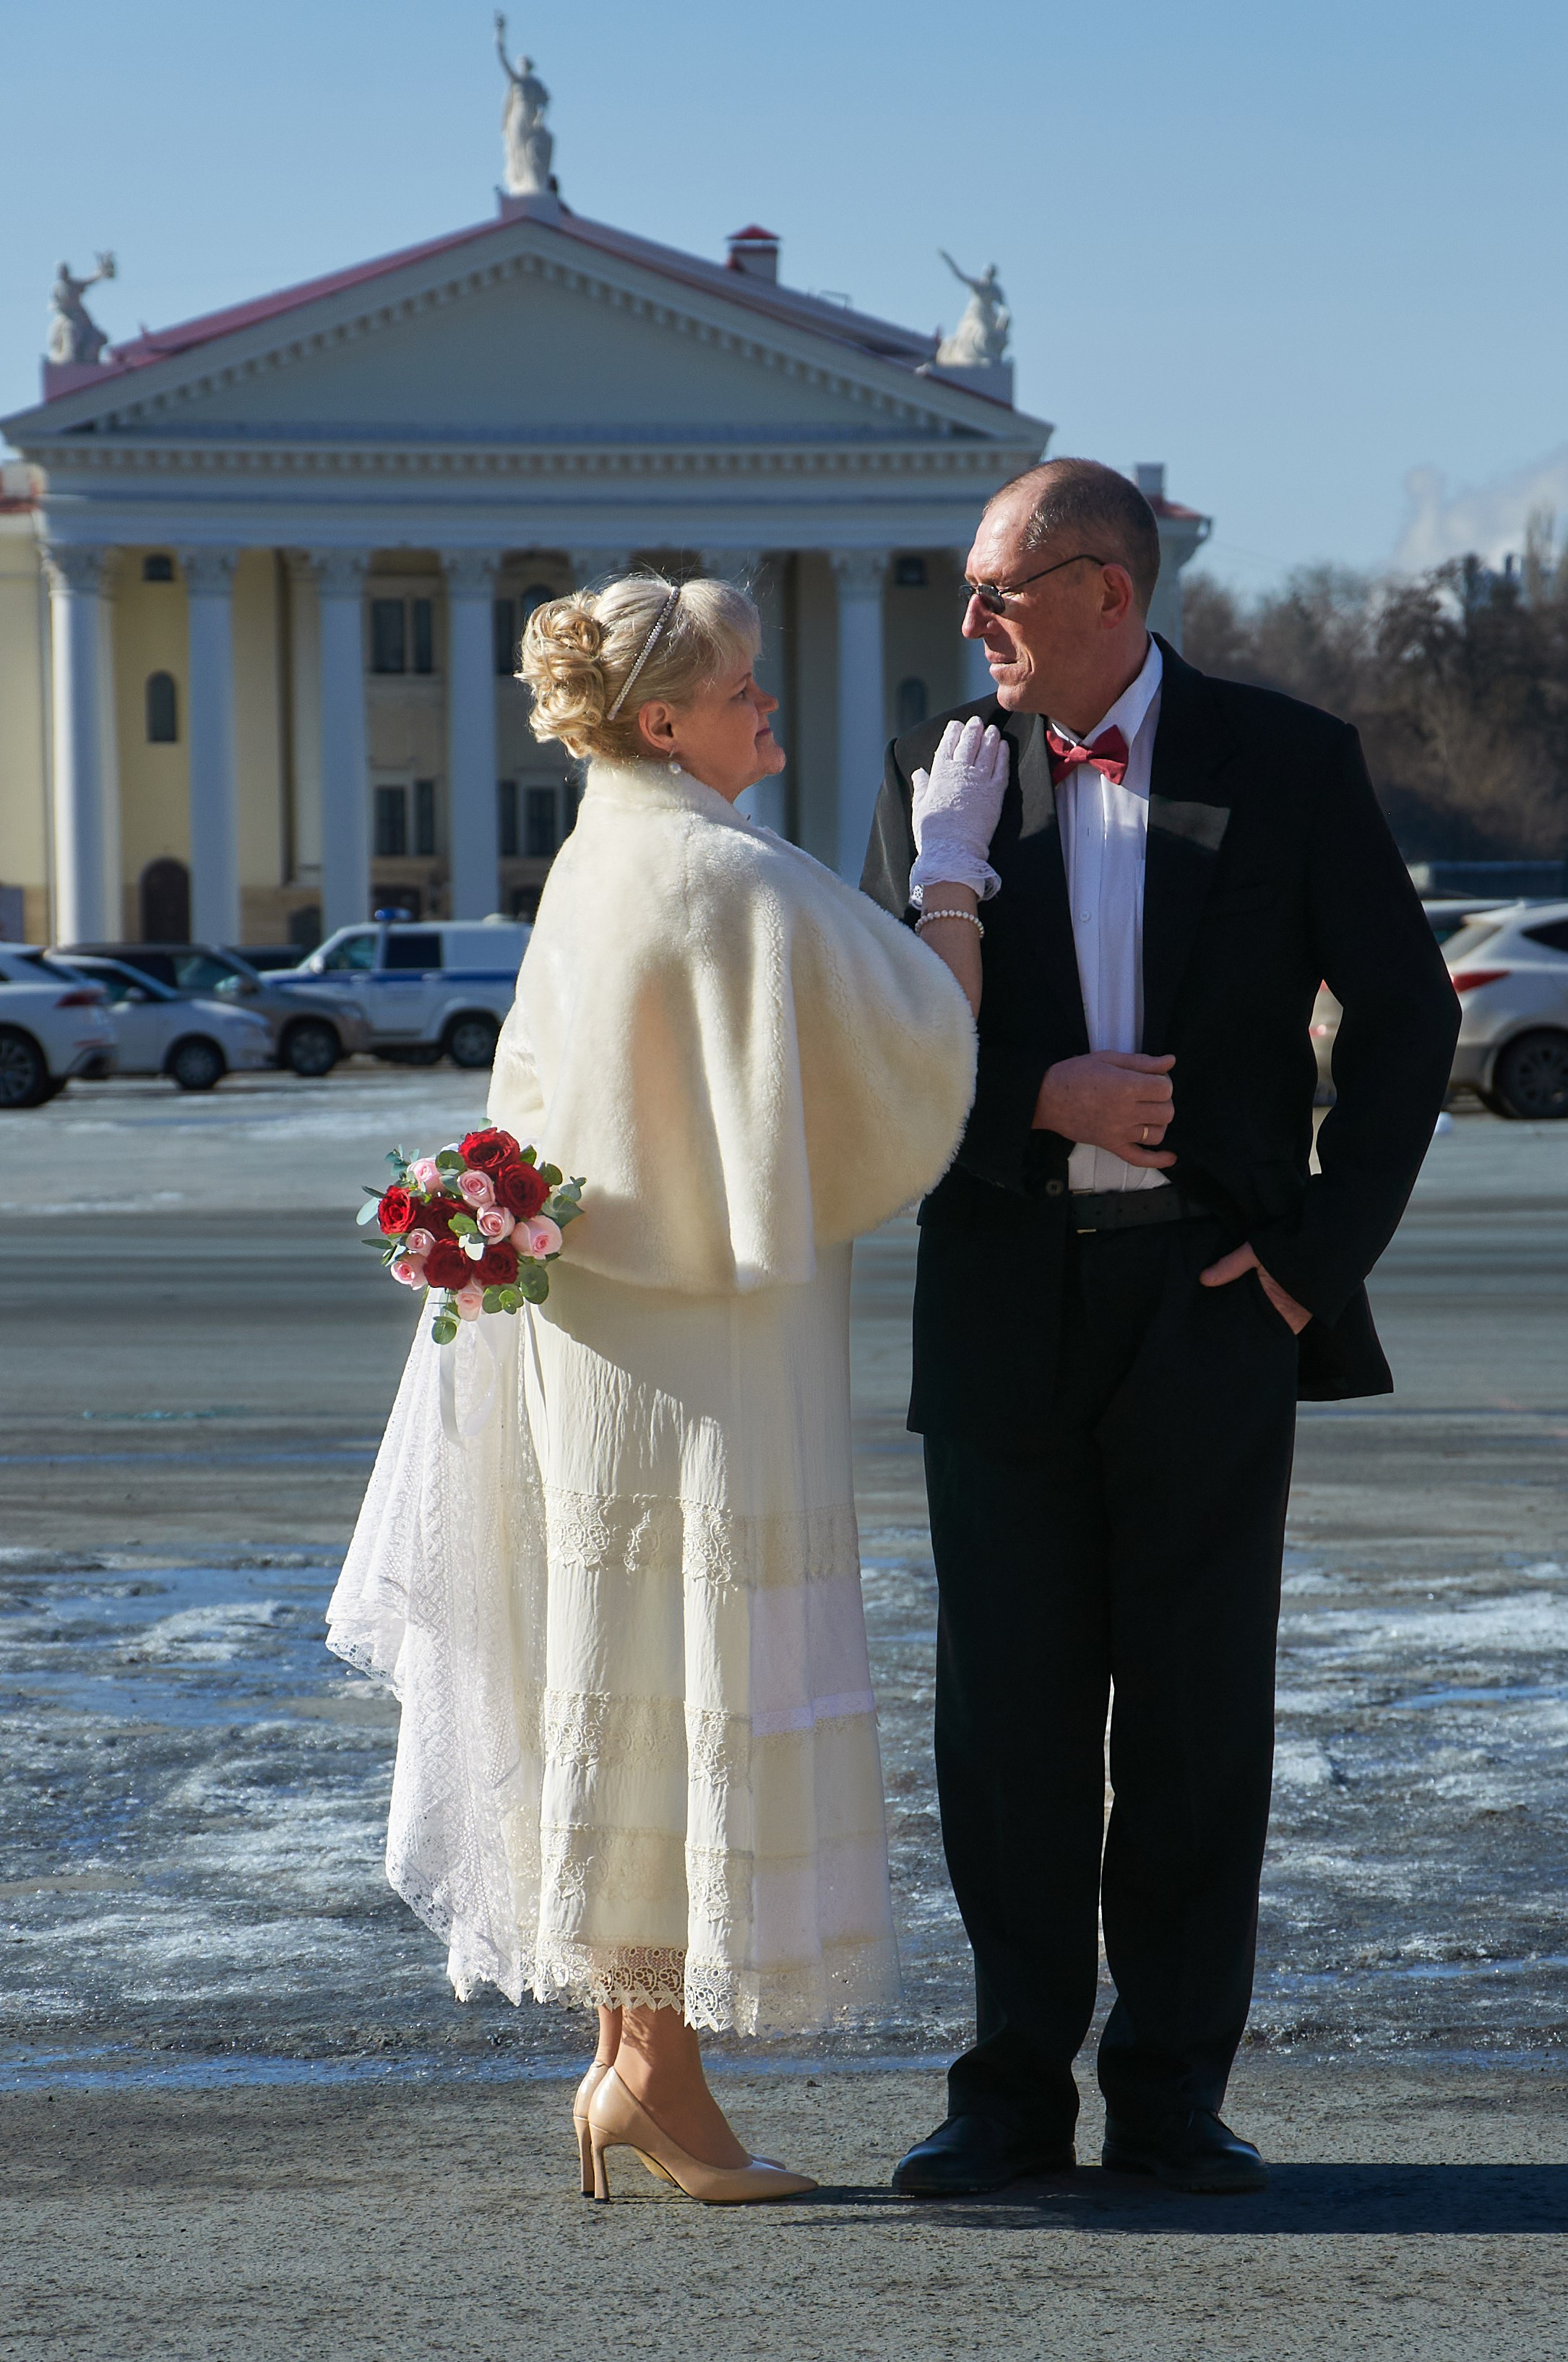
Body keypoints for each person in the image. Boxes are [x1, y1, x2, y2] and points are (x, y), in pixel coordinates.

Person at [329, 572, 981, 2204]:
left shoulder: (595, 853)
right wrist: (955, 876)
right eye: (740, 686)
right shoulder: (721, 869)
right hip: (706, 1358)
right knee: (690, 1679)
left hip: (595, 1344)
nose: (770, 705)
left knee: (618, 1683)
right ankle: (656, 2077)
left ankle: (635, 2057)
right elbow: (922, 1045)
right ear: (660, 720)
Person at [861, 458, 1460, 2196]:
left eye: (997, 592)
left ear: (1106, 589)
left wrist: (1304, 1265)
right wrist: (1031, 1097)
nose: (968, 624)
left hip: (1211, 1298)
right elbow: (880, 1066)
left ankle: (1171, 2088)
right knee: (1006, 1723)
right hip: (998, 1301)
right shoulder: (943, 786)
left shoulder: (1285, 759)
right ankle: (1006, 2091)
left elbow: (1409, 1025)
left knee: (1196, 1722)